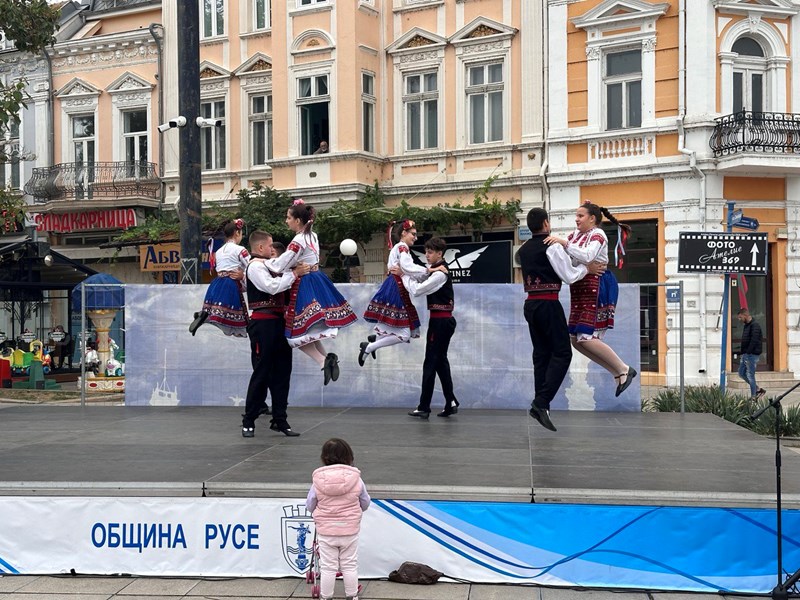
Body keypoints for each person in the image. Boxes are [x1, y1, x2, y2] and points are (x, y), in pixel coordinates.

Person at [520, 208, 606, 432]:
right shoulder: (552, 246)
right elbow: (569, 276)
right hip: (548, 303)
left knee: (541, 354)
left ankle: (542, 403)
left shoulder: (524, 249)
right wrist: (587, 269)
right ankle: (541, 403)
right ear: (546, 224)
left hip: (530, 304)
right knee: (562, 353)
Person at [545, 201, 637, 398]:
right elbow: (570, 258)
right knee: (576, 341)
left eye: (580, 216)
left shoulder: (598, 234)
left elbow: (587, 256)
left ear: (592, 218)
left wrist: (563, 243)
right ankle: (618, 372)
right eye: (576, 216)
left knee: (586, 338)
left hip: (597, 286)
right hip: (581, 287)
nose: (576, 220)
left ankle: (623, 368)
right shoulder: (575, 235)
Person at [270, 199, 357, 385]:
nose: (286, 221)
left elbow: (282, 264)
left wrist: (264, 263)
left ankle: (322, 361)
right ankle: (327, 358)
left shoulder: (298, 240)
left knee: (295, 333)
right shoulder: (313, 236)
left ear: (298, 221)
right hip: (317, 280)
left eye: (288, 218)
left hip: (304, 283)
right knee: (310, 328)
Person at [241, 230, 311, 438]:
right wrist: (294, 274)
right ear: (261, 247)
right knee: (262, 372)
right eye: (271, 246)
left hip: (280, 322)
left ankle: (280, 419)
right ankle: (249, 420)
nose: (273, 249)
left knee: (283, 371)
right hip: (263, 324)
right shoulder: (255, 266)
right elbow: (271, 287)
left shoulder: (272, 266)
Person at [360, 220, 442, 365]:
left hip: (395, 286)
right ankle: (371, 346)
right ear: (404, 233)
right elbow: (407, 266)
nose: (415, 238)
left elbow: (406, 269)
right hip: (396, 287)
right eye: (413, 234)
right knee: (404, 335)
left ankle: (376, 340)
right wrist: (428, 270)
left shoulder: (399, 248)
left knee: (396, 326)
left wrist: (424, 274)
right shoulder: (402, 247)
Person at [397, 238, 460, 419]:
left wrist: (403, 275)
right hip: (441, 322)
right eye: (426, 251)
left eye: (430, 252)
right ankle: (451, 402)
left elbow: (417, 290)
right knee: (440, 362)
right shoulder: (436, 270)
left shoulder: (440, 274)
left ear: (440, 253)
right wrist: (406, 272)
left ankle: (424, 406)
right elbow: (421, 276)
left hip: (440, 323)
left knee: (430, 363)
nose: (426, 255)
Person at [306, 438, 370, 600]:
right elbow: (365, 502)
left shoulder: (318, 481)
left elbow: (310, 504)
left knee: (328, 567)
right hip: (349, 530)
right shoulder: (356, 479)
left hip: (326, 531)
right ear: (349, 456)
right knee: (349, 565)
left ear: (324, 457)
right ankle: (352, 596)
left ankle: (326, 597)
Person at [189, 219, 250, 337]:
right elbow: (251, 266)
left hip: (217, 284)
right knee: (234, 318)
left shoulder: (218, 252)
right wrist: (244, 276)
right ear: (237, 233)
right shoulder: (240, 250)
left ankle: (203, 316)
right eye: (241, 233)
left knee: (217, 313)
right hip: (231, 284)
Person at [737, 308, 765, 402]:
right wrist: (743, 353)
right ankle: (757, 389)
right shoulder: (747, 325)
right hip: (746, 354)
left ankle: (754, 396)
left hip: (752, 355)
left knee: (750, 375)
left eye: (740, 317)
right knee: (741, 373)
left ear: (745, 315)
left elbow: (754, 340)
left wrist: (748, 352)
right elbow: (745, 340)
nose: (739, 319)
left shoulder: (755, 325)